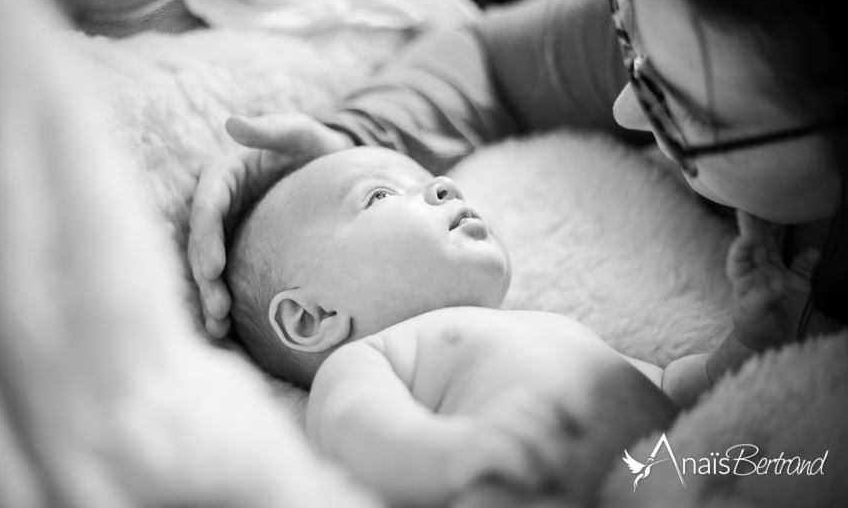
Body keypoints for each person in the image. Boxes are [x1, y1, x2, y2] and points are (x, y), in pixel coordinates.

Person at [189, 0, 847, 349]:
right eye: (627, 30)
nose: (624, 110)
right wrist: (360, 140)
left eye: (691, 111)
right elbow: (486, 58)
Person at [222, 145, 814, 506]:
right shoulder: (374, 356)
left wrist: (751, 340)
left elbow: (680, 391)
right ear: (312, 317)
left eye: (426, 176)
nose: (442, 184)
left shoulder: (553, 328)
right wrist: (453, 456)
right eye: (378, 196)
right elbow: (359, 430)